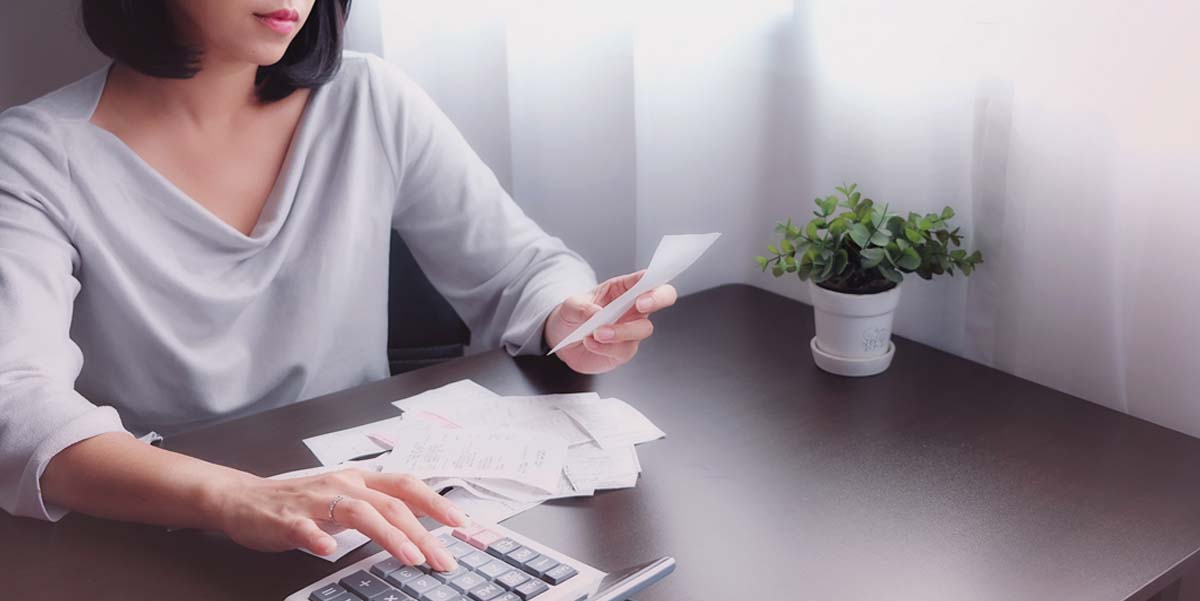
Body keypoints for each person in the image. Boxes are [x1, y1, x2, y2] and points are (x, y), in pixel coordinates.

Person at [0, 0, 677, 572]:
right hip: (161, 536)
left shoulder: (367, 98)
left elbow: (521, 267)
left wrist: (571, 316)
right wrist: (238, 497)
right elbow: (17, 404)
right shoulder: (34, 157)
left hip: (365, 521)